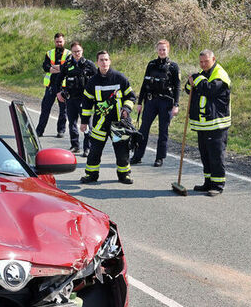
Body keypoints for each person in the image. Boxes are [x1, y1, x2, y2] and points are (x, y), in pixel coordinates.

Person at [79, 50, 136, 185]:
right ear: (97, 62)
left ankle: (124, 175)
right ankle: (91, 175)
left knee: (122, 150)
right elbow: (87, 103)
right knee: (94, 151)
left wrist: (127, 108)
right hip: (100, 123)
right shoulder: (92, 82)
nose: (104, 62)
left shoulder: (120, 78)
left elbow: (131, 96)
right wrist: (84, 122)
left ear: (109, 61)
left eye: (106, 60)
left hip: (118, 123)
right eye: (101, 60)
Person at [185, 49, 231, 196]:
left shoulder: (220, 75)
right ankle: (208, 182)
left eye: (206, 61)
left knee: (216, 155)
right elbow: (189, 89)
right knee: (205, 154)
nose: (203, 64)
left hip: (217, 124)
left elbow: (209, 89)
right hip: (203, 124)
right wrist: (190, 82)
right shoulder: (203, 74)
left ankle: (217, 185)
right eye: (201, 62)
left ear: (213, 59)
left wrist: (196, 79)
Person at [130, 39, 180, 167]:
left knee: (163, 131)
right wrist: (140, 102)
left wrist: (176, 105)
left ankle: (160, 158)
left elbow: (177, 87)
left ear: (168, 50)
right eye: (159, 49)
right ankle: (137, 156)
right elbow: (144, 84)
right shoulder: (151, 64)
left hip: (166, 103)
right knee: (143, 130)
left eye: (164, 49)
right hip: (151, 101)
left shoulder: (173, 67)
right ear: (156, 50)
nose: (162, 52)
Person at [58, 42, 97, 156]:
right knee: (72, 123)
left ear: (82, 51)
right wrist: (59, 93)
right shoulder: (67, 64)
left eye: (78, 51)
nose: (77, 54)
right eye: (74, 52)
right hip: (71, 99)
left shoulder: (89, 64)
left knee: (87, 124)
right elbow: (58, 79)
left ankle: (87, 148)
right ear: (71, 52)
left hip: (85, 99)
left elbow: (97, 79)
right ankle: (75, 146)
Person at [35, 33, 70, 139]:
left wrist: (54, 67)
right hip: (51, 85)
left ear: (64, 41)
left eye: (61, 41)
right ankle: (39, 131)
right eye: (57, 41)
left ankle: (61, 130)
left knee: (63, 110)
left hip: (63, 87)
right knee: (45, 108)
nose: (59, 43)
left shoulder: (69, 53)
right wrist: (58, 68)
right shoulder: (49, 53)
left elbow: (67, 67)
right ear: (54, 41)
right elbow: (45, 67)